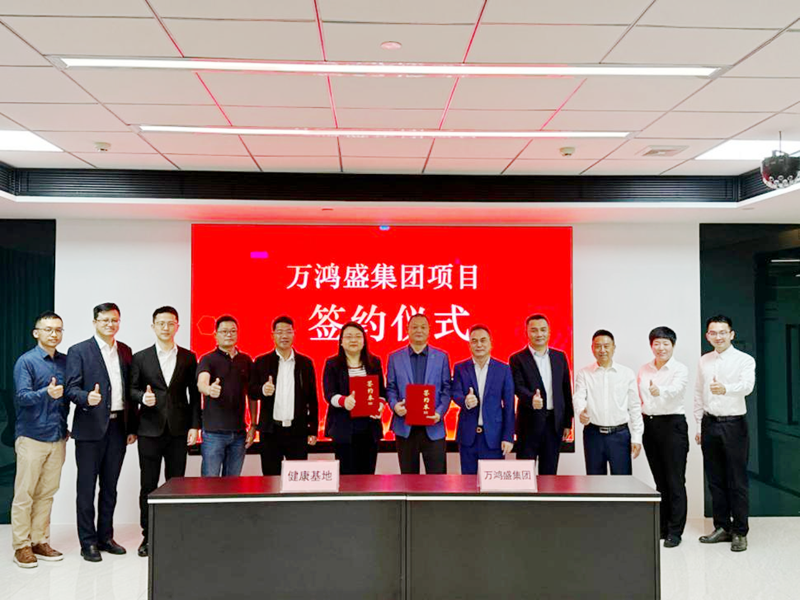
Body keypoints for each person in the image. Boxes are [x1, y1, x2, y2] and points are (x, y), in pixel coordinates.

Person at [65, 302, 136, 562]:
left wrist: (132, 427)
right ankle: (88, 542)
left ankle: (106, 537)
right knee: (86, 488)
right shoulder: (79, 351)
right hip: (90, 429)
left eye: (114, 320)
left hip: (118, 427)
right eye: (105, 320)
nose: (110, 324)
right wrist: (86, 397)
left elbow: (129, 392)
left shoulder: (125, 351)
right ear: (95, 322)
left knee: (110, 487)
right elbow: (70, 388)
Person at [129, 306, 201, 558]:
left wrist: (195, 425)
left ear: (177, 326)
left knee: (176, 484)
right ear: (153, 326)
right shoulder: (140, 357)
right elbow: (131, 390)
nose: (166, 328)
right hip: (149, 429)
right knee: (148, 484)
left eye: (171, 323)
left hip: (179, 430)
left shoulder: (189, 357)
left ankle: (173, 534)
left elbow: (194, 396)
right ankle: (148, 536)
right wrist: (142, 397)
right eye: (161, 323)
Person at [11, 312, 69, 568]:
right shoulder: (26, 361)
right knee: (25, 494)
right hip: (32, 436)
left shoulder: (66, 362)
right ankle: (21, 546)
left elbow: (69, 397)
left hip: (58, 436)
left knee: (47, 493)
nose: (54, 334)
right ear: (36, 333)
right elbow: (21, 397)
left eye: (58, 330)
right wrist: (46, 393)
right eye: (48, 329)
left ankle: (39, 540)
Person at [695, 315, 756, 552]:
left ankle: (740, 531)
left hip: (734, 425)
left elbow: (747, 386)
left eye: (723, 332)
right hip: (709, 423)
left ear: (731, 334)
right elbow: (698, 393)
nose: (718, 337)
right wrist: (699, 425)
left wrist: (725, 389)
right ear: (707, 336)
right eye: (713, 333)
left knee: (737, 480)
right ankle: (722, 527)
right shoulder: (704, 360)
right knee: (715, 479)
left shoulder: (744, 360)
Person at [637, 326, 689, 548]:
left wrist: (660, 390)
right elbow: (639, 398)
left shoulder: (680, 369)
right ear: (651, 346)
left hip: (672, 425)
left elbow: (676, 391)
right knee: (660, 480)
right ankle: (663, 526)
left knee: (675, 480)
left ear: (673, 346)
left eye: (665, 343)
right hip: (650, 425)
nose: (661, 348)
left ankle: (675, 531)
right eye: (656, 343)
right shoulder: (644, 369)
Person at [249, 315, 319, 476]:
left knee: (297, 478)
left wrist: (313, 430)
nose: (284, 336)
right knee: (270, 478)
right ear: (272, 335)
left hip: (297, 431)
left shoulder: (305, 363)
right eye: (279, 332)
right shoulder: (261, 362)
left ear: (294, 334)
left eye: (288, 332)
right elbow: (251, 391)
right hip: (271, 431)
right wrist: (262, 390)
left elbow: (312, 399)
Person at [386, 313, 452, 474]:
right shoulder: (394, 358)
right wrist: (395, 406)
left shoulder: (442, 357)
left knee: (437, 480)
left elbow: (446, 389)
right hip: (405, 426)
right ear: (407, 330)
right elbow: (391, 388)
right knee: (408, 479)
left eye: (423, 327)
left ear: (429, 330)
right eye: (414, 327)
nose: (419, 330)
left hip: (433, 426)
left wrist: (439, 413)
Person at [509, 314, 574, 475]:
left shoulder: (560, 357)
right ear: (526, 333)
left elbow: (566, 390)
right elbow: (517, 386)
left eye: (543, 330)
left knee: (549, 474)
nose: (539, 334)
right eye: (534, 330)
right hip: (528, 424)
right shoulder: (517, 359)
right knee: (525, 473)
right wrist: (531, 398)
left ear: (549, 332)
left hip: (554, 424)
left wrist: (567, 422)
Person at [573, 329, 643, 476]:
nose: (602, 350)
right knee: (595, 482)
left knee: (622, 482)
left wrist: (637, 437)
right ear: (592, 348)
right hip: (593, 435)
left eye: (606, 346)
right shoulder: (584, 373)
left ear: (614, 347)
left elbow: (635, 407)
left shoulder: (626, 373)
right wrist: (581, 411)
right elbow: (578, 396)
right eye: (598, 346)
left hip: (620, 435)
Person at [321, 321, 386, 475]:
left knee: (368, 475)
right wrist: (344, 401)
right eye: (349, 336)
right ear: (341, 342)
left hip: (369, 428)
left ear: (364, 341)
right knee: (346, 476)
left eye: (358, 336)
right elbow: (329, 394)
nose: (353, 340)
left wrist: (380, 405)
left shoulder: (374, 363)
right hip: (343, 428)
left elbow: (382, 392)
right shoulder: (332, 364)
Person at [196, 315, 256, 477]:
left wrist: (253, 425)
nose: (229, 334)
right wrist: (209, 390)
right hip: (213, 433)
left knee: (233, 482)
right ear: (215, 335)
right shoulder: (207, 359)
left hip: (239, 433)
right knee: (210, 482)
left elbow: (251, 395)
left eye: (233, 331)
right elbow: (202, 383)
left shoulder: (245, 360)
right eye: (224, 331)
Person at [451, 324, 515, 475]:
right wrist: (465, 401)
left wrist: (508, 436)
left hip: (494, 437)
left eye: (483, 340)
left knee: (493, 484)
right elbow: (455, 392)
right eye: (474, 341)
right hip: (468, 437)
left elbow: (509, 406)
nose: (479, 344)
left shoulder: (503, 369)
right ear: (469, 345)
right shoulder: (460, 368)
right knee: (468, 482)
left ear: (491, 343)